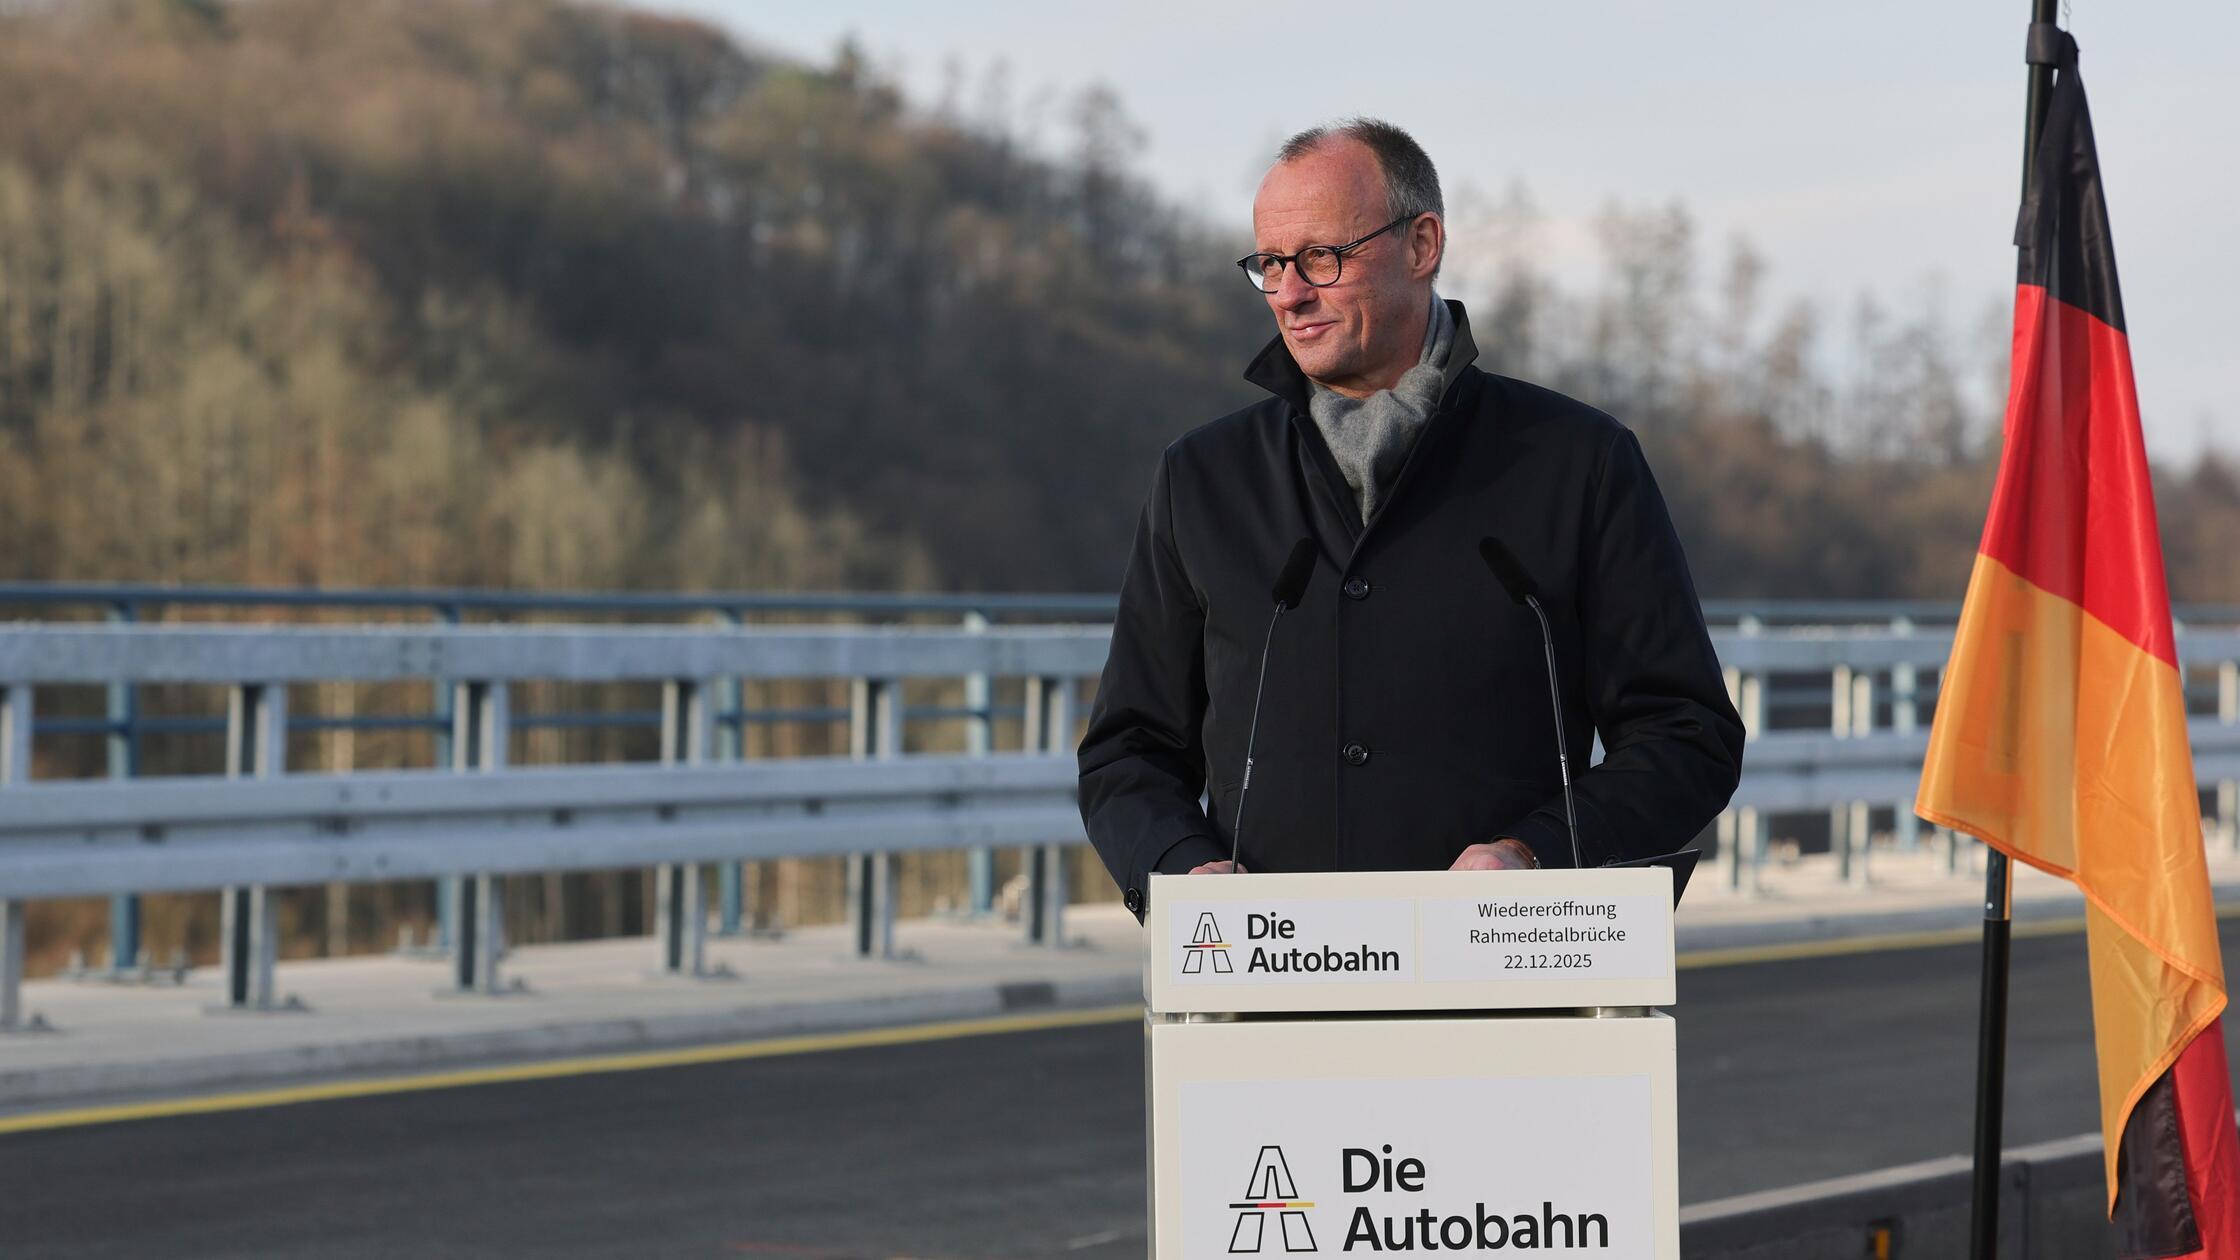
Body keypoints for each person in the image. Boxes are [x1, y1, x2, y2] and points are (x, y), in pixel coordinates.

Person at [1078, 118, 1744, 921]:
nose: (1289, 292)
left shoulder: (1577, 462)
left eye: (1322, 257)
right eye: (1272, 264)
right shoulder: (1201, 479)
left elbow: (1685, 734)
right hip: (1263, 995)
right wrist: (1184, 872)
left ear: (1422, 245)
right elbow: (1128, 752)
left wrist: (1534, 854)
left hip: (1507, 987)